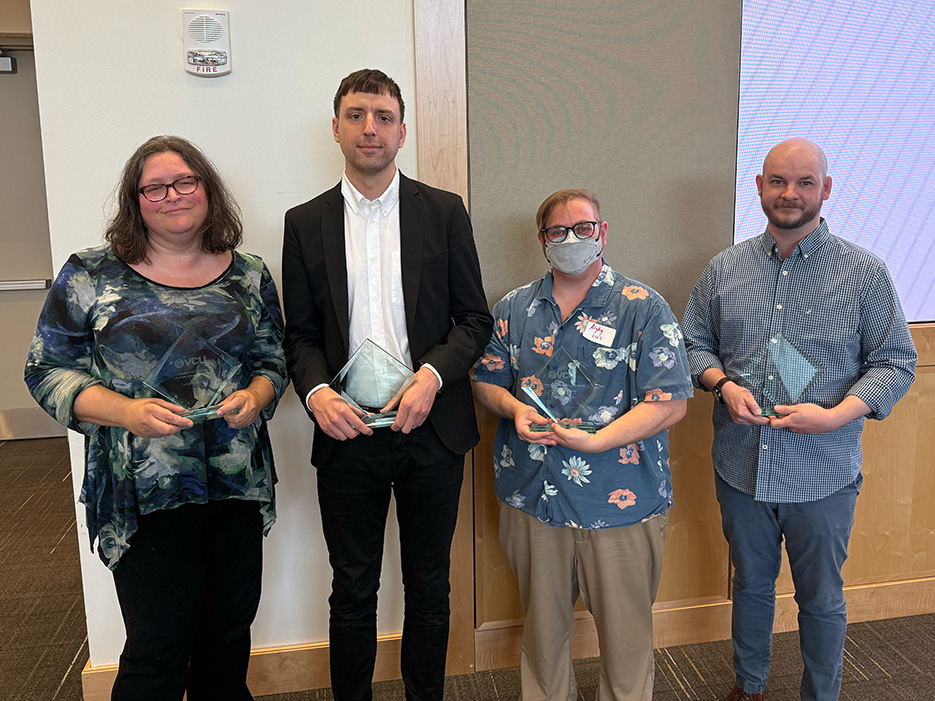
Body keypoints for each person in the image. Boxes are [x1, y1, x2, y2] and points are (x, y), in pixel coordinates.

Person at [24, 135, 288, 700]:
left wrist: (259, 396)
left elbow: (272, 360)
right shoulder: (91, 273)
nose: (173, 195)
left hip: (235, 484)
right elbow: (46, 372)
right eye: (155, 188)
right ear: (135, 200)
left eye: (185, 182)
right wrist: (126, 412)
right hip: (145, 490)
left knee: (226, 641)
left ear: (208, 190)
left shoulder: (249, 273)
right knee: (158, 651)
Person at [281, 69, 492, 701]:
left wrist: (430, 377)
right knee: (352, 588)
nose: (369, 128)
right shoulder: (303, 222)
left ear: (402, 130)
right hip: (346, 434)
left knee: (431, 588)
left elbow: (474, 319)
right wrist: (318, 395)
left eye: (382, 116)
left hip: (432, 429)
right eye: (355, 115)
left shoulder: (445, 211)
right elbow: (301, 338)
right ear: (337, 128)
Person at [682, 138, 917, 701]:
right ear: (760, 187)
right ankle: (751, 686)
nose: (790, 194)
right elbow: (693, 345)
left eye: (804, 182)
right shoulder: (724, 270)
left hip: (823, 473)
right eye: (778, 181)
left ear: (825, 190)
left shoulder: (865, 273)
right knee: (751, 588)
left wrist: (837, 416)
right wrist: (723, 384)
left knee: (820, 596)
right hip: (742, 467)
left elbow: (896, 362)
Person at [472, 189, 693, 701]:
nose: (571, 239)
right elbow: (485, 381)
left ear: (603, 232)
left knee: (626, 643)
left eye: (584, 228)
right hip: (534, 497)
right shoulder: (516, 307)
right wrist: (514, 409)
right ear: (542, 240)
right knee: (544, 639)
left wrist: (598, 441)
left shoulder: (643, 307)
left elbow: (670, 402)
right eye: (558, 231)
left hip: (620, 502)